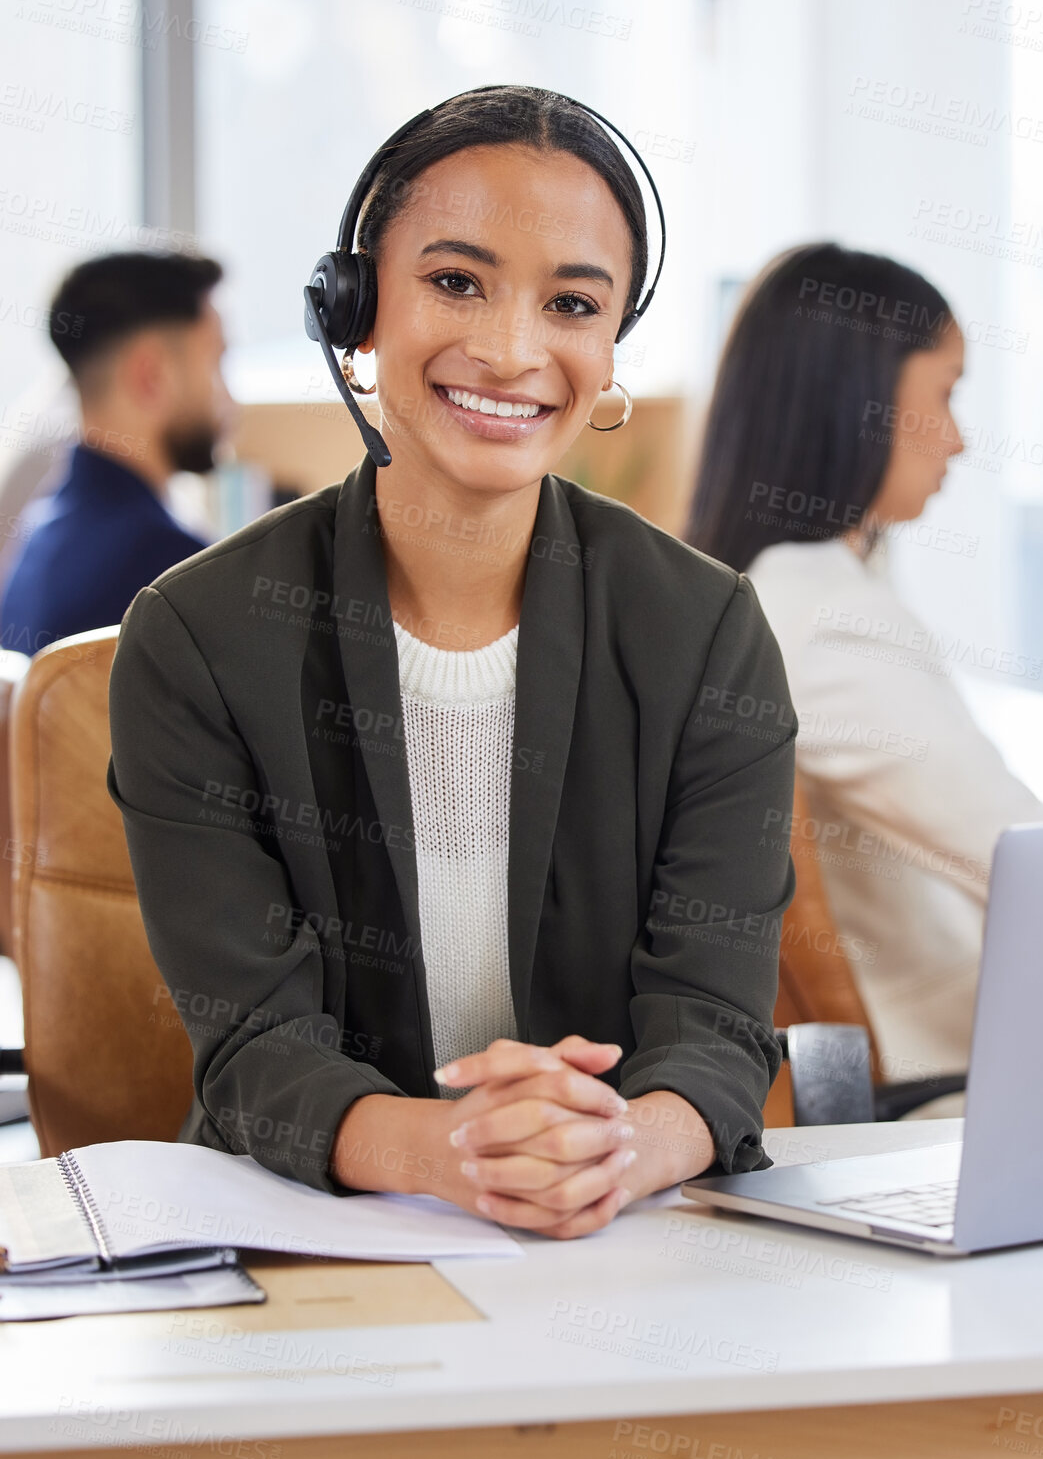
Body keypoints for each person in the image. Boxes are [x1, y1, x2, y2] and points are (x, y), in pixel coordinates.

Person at [106, 86, 795, 1241]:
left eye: (571, 302)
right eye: (456, 281)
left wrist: (625, 1144)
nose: (513, 350)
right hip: (318, 1245)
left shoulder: (705, 631)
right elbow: (254, 1047)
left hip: (621, 1242)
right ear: (359, 309)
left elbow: (716, 1025)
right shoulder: (200, 636)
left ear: (609, 343)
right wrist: (454, 1153)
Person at [685, 243, 1043, 1089]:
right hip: (950, 1082)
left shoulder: (768, 590)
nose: (958, 440)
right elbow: (1032, 858)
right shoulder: (826, 619)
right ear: (858, 400)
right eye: (943, 393)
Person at [0, 251, 231, 656]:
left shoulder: (39, 539)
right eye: (216, 362)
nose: (228, 399)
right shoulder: (174, 572)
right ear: (151, 376)